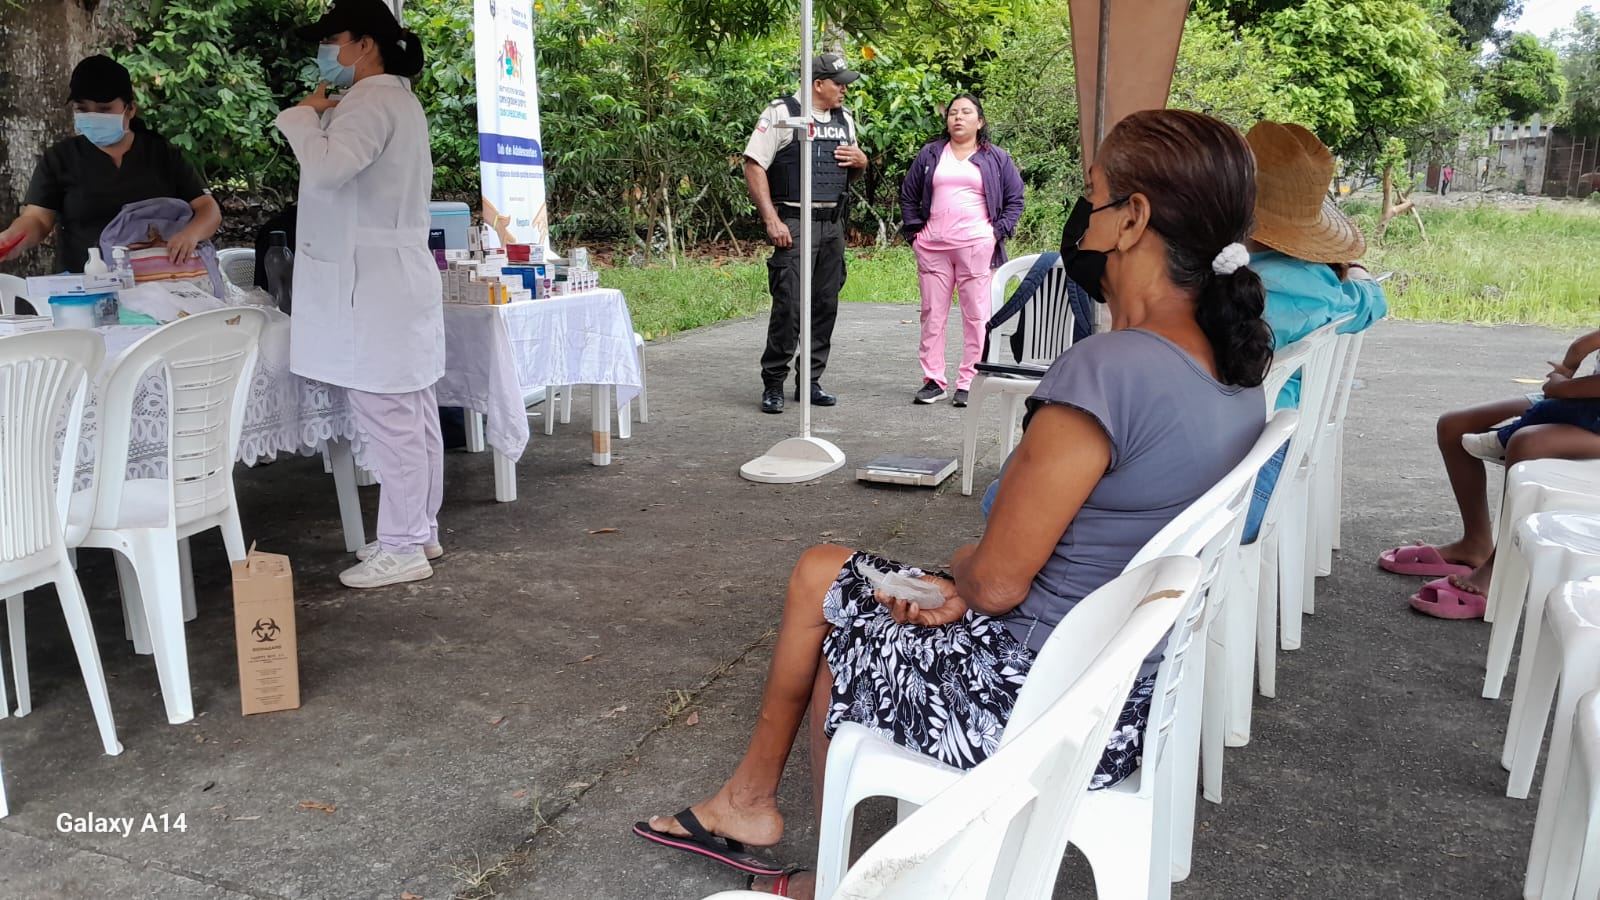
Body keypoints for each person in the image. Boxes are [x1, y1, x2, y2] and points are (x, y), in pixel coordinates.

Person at [635, 109, 1273, 898]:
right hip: (1121, 696)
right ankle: (749, 802)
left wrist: (962, 579)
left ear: (1133, 219)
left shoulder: (1108, 371)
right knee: (824, 571)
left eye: (1093, 194)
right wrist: (968, 583)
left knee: (843, 633)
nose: (1083, 216)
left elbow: (998, 581)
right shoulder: (1235, 372)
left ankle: (833, 881)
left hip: (1031, 698)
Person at [279, 0, 446, 589]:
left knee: (392, 419)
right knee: (414, 414)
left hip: (372, 284)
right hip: (392, 277)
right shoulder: (397, 100)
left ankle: (403, 547)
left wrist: (302, 117)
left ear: (365, 44)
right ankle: (419, 529)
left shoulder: (371, 101)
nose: (325, 52)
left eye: (332, 40)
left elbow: (328, 170)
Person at [1236, 121, 1388, 545]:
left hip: (1244, 453)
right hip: (1283, 438)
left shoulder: (1236, 284)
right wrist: (1358, 271)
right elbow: (1372, 302)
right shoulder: (1321, 284)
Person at [1387, 329, 1600, 618]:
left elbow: (1568, 383)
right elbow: (1582, 345)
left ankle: (1498, 571)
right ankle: (1475, 544)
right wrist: (1566, 373)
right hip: (1585, 403)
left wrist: (1561, 386)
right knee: (1454, 426)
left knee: (1527, 442)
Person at [0, 55, 221, 277]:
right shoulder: (60, 158)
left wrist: (191, 234)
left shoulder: (163, 154)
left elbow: (208, 208)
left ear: (130, 109)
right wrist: (12, 238)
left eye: (104, 109)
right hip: (84, 283)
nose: (93, 116)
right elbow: (37, 218)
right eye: (82, 109)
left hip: (158, 280)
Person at [743, 54, 870, 414]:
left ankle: (810, 381)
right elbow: (754, 165)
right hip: (794, 220)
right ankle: (773, 383)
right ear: (818, 84)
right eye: (838, 83)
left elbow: (846, 172)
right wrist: (771, 219)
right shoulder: (782, 113)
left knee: (825, 305)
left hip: (832, 224)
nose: (844, 90)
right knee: (789, 305)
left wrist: (861, 163)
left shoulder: (845, 119)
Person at [899, 93, 1025, 407]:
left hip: (976, 247)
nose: (958, 117)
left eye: (966, 112)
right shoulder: (931, 154)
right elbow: (909, 195)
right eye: (953, 112)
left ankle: (969, 381)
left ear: (980, 121)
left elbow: (1015, 199)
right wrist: (915, 235)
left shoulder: (996, 157)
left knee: (977, 316)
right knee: (932, 314)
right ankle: (933, 380)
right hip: (933, 247)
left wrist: (995, 233)